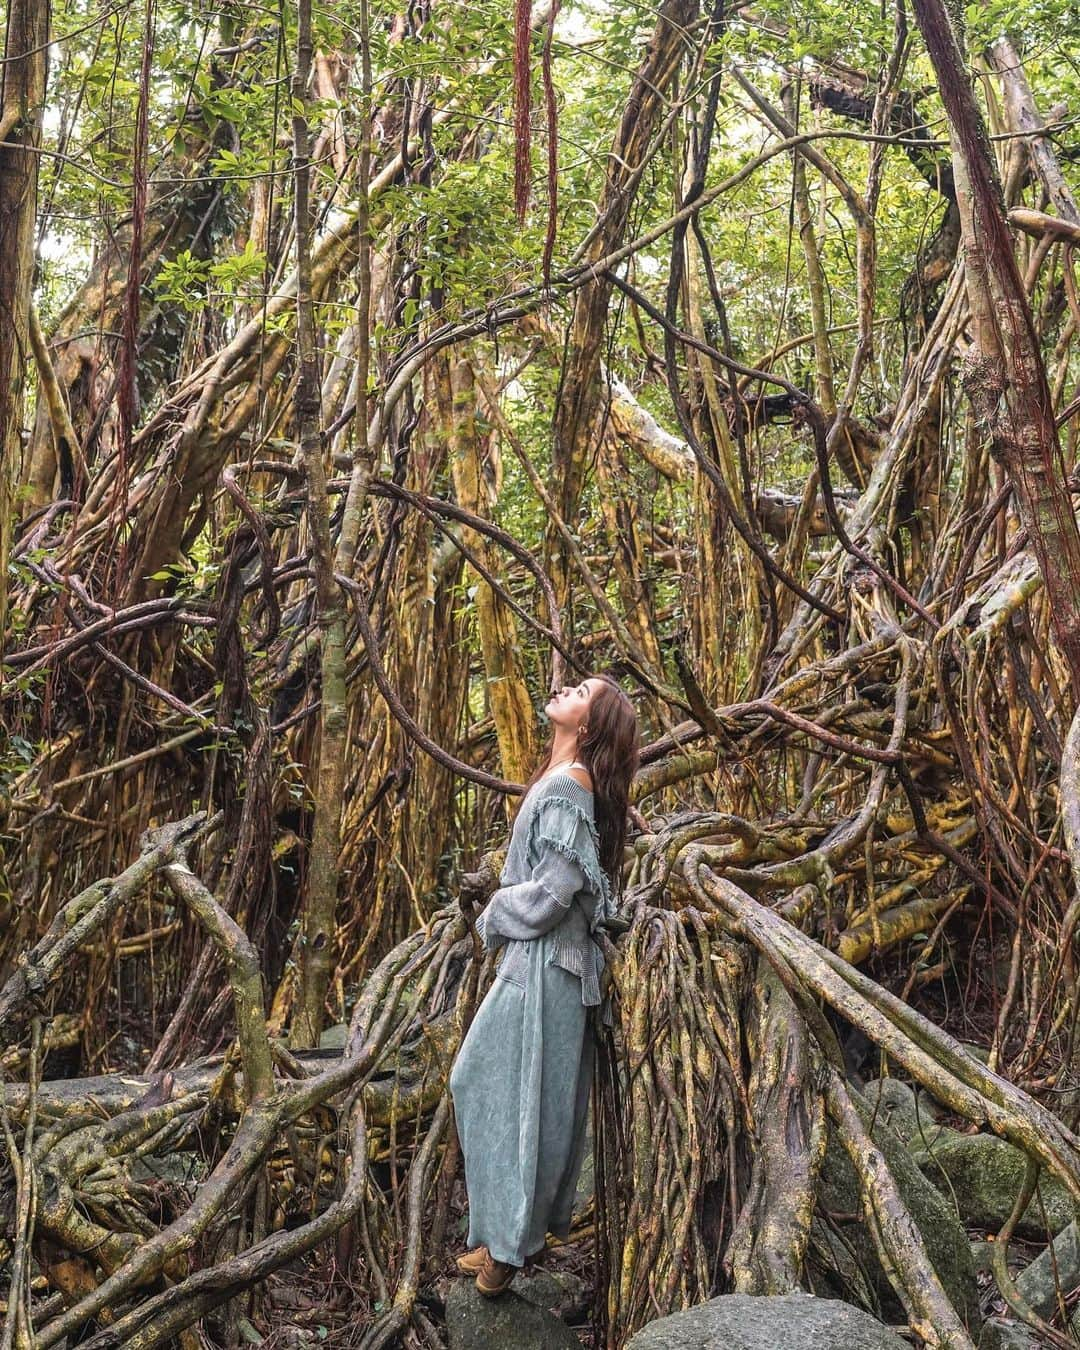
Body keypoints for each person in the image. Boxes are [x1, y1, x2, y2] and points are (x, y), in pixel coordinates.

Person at [448, 671, 640, 1296]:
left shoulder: (569, 786)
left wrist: (494, 911)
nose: (564, 688)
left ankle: (507, 1251)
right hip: (543, 963)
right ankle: (503, 1237)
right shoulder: (564, 782)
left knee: (512, 1092)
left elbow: (557, 890)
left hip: (546, 964)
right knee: (498, 1086)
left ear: (589, 725)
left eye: (582, 690)